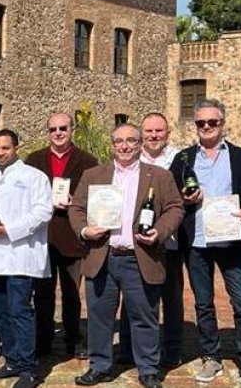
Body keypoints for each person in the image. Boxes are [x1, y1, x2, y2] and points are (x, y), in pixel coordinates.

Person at [70, 123, 184, 388]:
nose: (124, 146)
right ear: (112, 145)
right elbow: (76, 209)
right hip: (103, 255)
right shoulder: (93, 175)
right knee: (99, 316)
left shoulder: (158, 175)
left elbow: (175, 208)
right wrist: (85, 230)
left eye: (131, 140)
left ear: (140, 143)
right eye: (119, 141)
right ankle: (99, 365)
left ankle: (148, 369)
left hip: (139, 256)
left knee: (144, 315)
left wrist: (159, 232)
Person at [170, 100, 241, 387]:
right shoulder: (184, 159)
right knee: (203, 303)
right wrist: (185, 198)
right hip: (197, 241)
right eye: (201, 123)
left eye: (212, 122)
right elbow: (170, 195)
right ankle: (211, 357)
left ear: (222, 124)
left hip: (229, 240)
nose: (206, 127)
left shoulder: (239, 157)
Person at [0, 129, 53, 388]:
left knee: (19, 310)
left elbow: (44, 211)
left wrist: (10, 229)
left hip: (22, 254)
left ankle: (28, 367)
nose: (0, 153)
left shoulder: (35, 177)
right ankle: (11, 360)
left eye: (5, 148)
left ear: (16, 148)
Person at [25, 111, 97, 359]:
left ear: (72, 130)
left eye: (63, 128)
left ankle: (73, 339)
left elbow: (94, 198)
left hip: (72, 237)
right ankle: (42, 340)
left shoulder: (87, 161)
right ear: (48, 132)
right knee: (42, 293)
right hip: (42, 237)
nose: (58, 133)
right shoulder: (33, 160)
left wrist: (75, 201)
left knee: (71, 293)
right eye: (53, 129)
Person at [119, 112, 185, 368]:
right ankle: (127, 349)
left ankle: (172, 350)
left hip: (170, 240)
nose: (154, 136)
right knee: (132, 297)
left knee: (171, 296)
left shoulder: (180, 158)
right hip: (135, 242)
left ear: (167, 134)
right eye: (149, 132)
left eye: (159, 131)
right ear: (141, 136)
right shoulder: (132, 158)